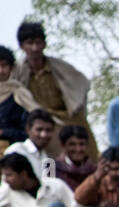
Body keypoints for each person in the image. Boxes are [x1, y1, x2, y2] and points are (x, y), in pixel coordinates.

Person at [12, 21, 95, 156]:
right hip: (45, 125)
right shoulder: (17, 73)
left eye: (38, 43)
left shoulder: (60, 67)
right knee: (49, 163)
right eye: (30, 43)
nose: (35, 48)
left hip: (71, 121)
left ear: (44, 44)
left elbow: (81, 85)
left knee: (85, 157)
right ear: (22, 46)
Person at [0, 44, 39, 150]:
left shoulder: (19, 94)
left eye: (4, 66)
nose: (1, 71)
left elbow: (28, 132)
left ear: (11, 68)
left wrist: (4, 132)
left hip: (12, 151)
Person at [3, 107, 56, 177]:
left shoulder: (49, 159)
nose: (44, 135)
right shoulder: (16, 150)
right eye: (39, 129)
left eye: (48, 130)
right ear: (28, 129)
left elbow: (50, 186)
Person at [53, 124, 94, 190]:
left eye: (81, 144)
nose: (78, 149)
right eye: (72, 144)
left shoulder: (94, 171)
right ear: (63, 145)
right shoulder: (53, 169)